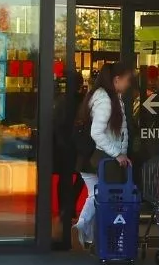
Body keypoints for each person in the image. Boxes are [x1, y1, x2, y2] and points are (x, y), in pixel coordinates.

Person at [73, 60, 135, 251]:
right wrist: (118, 154)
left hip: (91, 157)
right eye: (127, 80)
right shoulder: (106, 100)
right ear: (116, 79)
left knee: (96, 195)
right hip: (100, 158)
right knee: (102, 197)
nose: (129, 84)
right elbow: (97, 132)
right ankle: (85, 227)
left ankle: (89, 234)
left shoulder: (101, 96)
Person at [50, 70, 85, 250]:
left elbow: (57, 124)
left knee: (65, 179)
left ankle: (66, 209)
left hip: (62, 146)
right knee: (81, 175)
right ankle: (68, 208)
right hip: (72, 147)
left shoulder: (60, 101)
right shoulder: (79, 101)